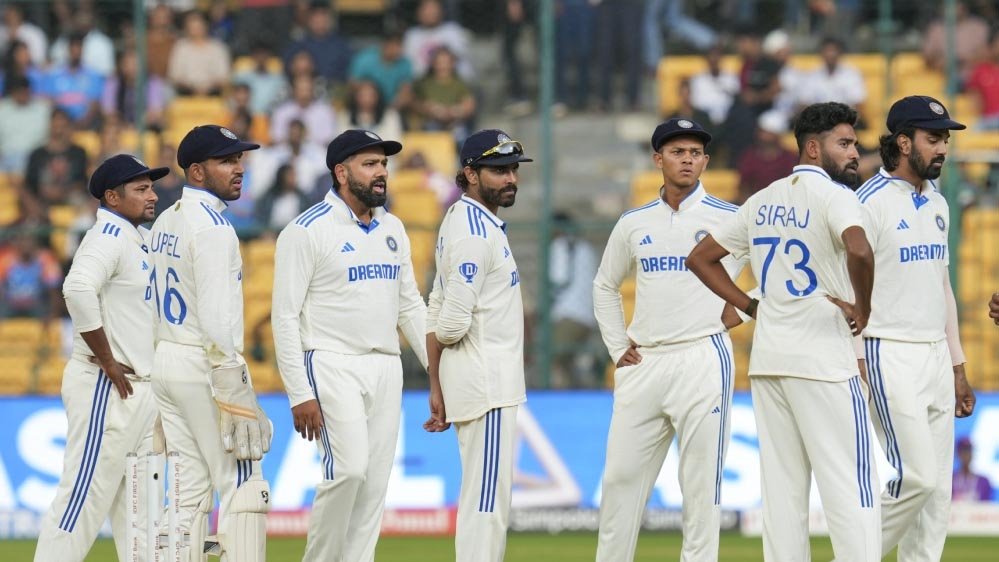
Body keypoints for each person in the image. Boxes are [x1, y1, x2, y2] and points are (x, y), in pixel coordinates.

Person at [687, 102, 880, 561]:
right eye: (845, 143)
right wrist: (864, 307)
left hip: (770, 360)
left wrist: (753, 306)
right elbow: (860, 250)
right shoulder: (836, 196)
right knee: (852, 486)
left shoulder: (762, 199)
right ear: (813, 148)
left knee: (782, 496)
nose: (855, 153)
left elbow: (700, 259)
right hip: (824, 361)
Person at [272, 129, 429, 561]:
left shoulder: (393, 227)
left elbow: (410, 306)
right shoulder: (305, 231)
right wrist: (299, 393)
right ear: (341, 173)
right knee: (348, 471)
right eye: (370, 164)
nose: (382, 173)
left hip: (386, 365)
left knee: (374, 487)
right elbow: (284, 317)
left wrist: (439, 370)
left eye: (384, 164)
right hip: (331, 362)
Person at [593, 118, 745, 561]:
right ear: (658, 159)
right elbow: (604, 285)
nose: (687, 160)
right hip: (644, 361)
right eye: (678, 152)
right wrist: (617, 347)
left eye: (695, 153)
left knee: (700, 486)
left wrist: (740, 306)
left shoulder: (730, 217)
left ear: (706, 162)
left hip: (702, 356)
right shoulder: (634, 222)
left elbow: (776, 270)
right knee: (619, 482)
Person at [854, 95, 976, 561]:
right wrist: (858, 358)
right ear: (903, 142)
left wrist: (957, 366)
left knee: (937, 496)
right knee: (918, 478)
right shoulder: (867, 203)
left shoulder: (938, 202)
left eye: (945, 139)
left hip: (935, 357)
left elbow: (942, 288)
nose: (943, 148)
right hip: (888, 352)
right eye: (933, 138)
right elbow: (846, 288)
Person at [33, 154, 166, 562]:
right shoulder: (107, 236)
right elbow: (76, 289)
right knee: (82, 498)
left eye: (151, 187)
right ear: (112, 196)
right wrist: (107, 359)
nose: (152, 195)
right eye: (141, 189)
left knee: (143, 513)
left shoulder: (136, 236)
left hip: (139, 390)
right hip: (106, 388)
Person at [149, 125, 271, 561]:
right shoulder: (215, 228)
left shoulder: (166, 218)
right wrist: (233, 386)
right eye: (227, 161)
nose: (239, 169)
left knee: (186, 492)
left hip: (167, 357)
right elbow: (218, 320)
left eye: (239, 159)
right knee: (244, 486)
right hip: (207, 365)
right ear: (197, 171)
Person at [423, 129, 533, 562]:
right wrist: (443, 372)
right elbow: (450, 323)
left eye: (513, 170)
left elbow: (435, 303)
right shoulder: (474, 233)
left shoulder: (464, 220)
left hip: (478, 383)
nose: (511, 179)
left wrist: (437, 382)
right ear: (470, 174)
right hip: (488, 386)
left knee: (481, 501)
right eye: (499, 171)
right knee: (486, 507)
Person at [549, 210, 599, 388]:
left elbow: (557, 280)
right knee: (567, 364)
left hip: (568, 315)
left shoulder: (559, 246)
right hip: (587, 318)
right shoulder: (586, 248)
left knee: (550, 360)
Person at [952, 437, 993, 502]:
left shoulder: (983, 482)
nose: (966, 454)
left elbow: (986, 505)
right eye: (963, 451)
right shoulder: (951, 479)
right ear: (958, 454)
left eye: (969, 451)